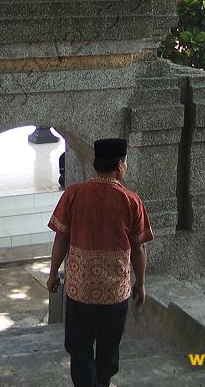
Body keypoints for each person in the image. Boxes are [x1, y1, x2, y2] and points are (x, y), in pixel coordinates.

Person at [46, 138, 154, 387]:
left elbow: (61, 238)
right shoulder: (131, 200)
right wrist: (140, 283)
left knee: (80, 349)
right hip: (115, 294)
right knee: (108, 351)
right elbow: (139, 248)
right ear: (120, 164)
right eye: (126, 162)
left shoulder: (74, 193)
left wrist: (53, 274)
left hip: (79, 291)